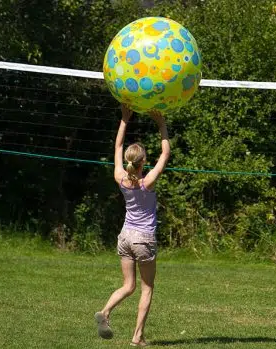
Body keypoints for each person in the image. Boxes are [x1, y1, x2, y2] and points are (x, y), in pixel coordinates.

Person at [95, 104, 170, 347]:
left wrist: (124, 120)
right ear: (142, 162)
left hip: (125, 236)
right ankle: (137, 337)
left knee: (128, 286)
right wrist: (161, 125)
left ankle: (105, 311)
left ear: (128, 162)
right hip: (143, 238)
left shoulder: (120, 178)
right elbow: (166, 154)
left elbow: (117, 147)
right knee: (147, 288)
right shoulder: (147, 182)